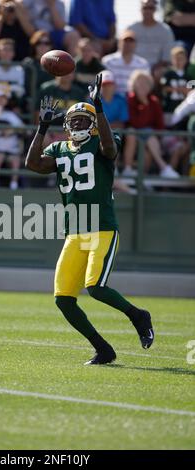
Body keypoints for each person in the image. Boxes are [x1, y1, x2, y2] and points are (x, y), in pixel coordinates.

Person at [25, 75, 155, 365]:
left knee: (96, 287)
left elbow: (111, 150)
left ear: (94, 123)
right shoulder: (59, 148)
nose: (78, 124)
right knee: (63, 299)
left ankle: (138, 315)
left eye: (85, 120)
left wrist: (99, 109)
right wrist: (42, 127)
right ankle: (103, 349)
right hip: (75, 231)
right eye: (74, 121)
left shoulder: (102, 141)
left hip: (102, 227)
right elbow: (33, 164)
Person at [123, 70, 179, 177]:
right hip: (131, 138)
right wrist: (145, 105)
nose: (142, 86)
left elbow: (160, 125)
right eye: (139, 82)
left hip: (149, 140)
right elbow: (136, 123)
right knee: (141, 133)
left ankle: (142, 181)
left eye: (145, 83)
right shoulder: (129, 99)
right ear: (133, 84)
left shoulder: (154, 101)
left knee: (148, 152)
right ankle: (163, 167)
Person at [102, 29, 150, 96]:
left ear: (135, 44)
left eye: (131, 41)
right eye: (125, 40)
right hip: (114, 100)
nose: (128, 44)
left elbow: (146, 86)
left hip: (134, 100)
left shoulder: (143, 64)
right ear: (119, 42)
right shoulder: (107, 61)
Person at [128, 0, 175, 67]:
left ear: (155, 9)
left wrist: (156, 68)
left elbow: (167, 57)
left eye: (150, 8)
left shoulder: (165, 30)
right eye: (145, 8)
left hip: (156, 68)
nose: (147, 11)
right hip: (134, 67)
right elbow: (125, 52)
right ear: (140, 9)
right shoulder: (131, 29)